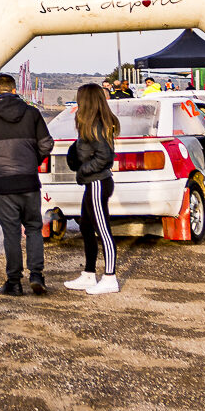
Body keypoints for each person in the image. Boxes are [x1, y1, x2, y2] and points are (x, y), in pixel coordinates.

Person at [0, 73, 52, 295]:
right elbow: (47, 143)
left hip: (2, 185)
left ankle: (14, 282)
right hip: (29, 182)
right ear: (15, 91)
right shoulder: (32, 113)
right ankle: (37, 276)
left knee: (11, 233)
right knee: (34, 228)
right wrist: (33, 161)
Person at [64, 84, 121, 294]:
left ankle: (110, 277)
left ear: (86, 100)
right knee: (86, 227)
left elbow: (105, 157)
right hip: (93, 182)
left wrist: (82, 172)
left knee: (102, 230)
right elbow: (88, 149)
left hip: (97, 182)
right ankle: (89, 274)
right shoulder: (91, 123)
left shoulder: (96, 124)